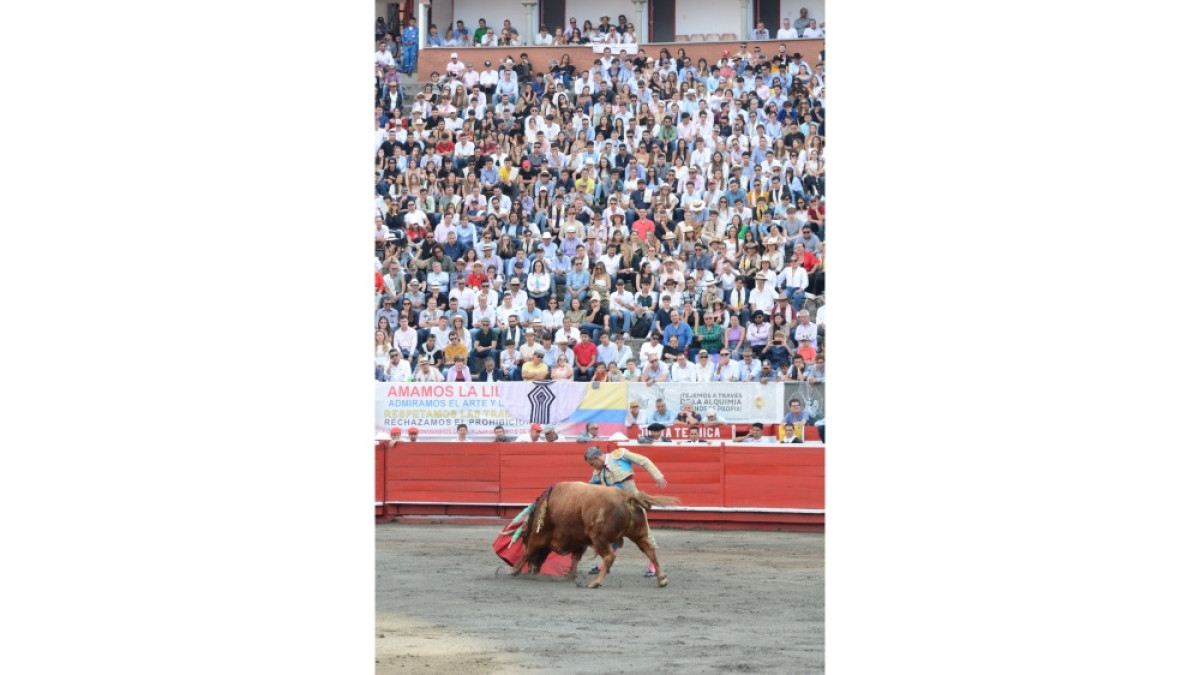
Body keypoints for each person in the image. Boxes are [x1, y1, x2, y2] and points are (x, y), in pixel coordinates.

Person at [583, 445, 668, 576]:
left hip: (634, 503)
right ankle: (605, 565)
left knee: (645, 535)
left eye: (592, 464)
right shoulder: (598, 472)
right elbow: (589, 487)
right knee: (611, 535)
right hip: (615, 510)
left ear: (596, 458)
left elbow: (644, 461)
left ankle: (654, 567)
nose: (592, 467)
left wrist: (658, 476)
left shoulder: (620, 456)